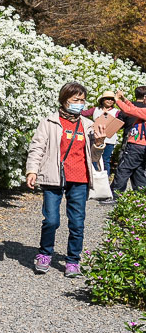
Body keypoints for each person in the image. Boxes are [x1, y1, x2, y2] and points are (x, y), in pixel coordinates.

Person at [25, 82, 105, 278]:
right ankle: (44, 254)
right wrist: (32, 170)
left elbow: (94, 157)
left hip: (80, 179)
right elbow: (37, 147)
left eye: (82, 100)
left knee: (77, 222)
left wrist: (100, 143)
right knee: (51, 220)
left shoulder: (87, 125)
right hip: (54, 177)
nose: (80, 103)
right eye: (75, 99)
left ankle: (72, 261)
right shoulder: (50, 122)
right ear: (64, 100)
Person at [83, 91, 121, 204]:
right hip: (95, 139)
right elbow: (83, 113)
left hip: (109, 139)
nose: (109, 101)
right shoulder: (95, 109)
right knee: (93, 160)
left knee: (105, 161)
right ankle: (94, 184)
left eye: (111, 99)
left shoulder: (116, 112)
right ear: (102, 100)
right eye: (107, 99)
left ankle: (104, 184)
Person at [112, 86, 146, 197]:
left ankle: (116, 195)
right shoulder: (143, 111)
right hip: (141, 146)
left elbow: (129, 110)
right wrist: (124, 98)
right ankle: (141, 196)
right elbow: (134, 109)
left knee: (123, 169)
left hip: (136, 146)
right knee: (138, 171)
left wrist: (116, 99)